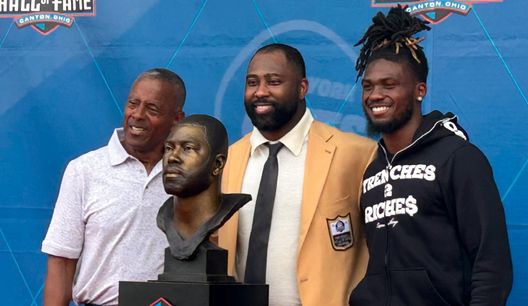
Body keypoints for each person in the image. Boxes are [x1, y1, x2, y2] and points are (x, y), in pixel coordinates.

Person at [349, 7, 513, 306]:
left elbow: (492, 264)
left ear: (419, 90)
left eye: (390, 85)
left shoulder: (459, 158)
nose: (375, 95)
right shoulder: (372, 170)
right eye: (368, 86)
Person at [217, 43, 376, 306]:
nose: (260, 92)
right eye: (252, 82)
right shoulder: (228, 160)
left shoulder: (356, 154)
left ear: (302, 88)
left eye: (274, 81)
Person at [41, 68, 186, 306]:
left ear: (177, 119)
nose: (137, 115)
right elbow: (62, 262)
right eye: (133, 104)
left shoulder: (188, 177)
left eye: (152, 109)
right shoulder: (84, 170)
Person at [157, 115, 251, 262]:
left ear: (218, 164)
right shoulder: (164, 216)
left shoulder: (227, 209)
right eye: (169, 148)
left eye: (188, 148)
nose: (172, 157)